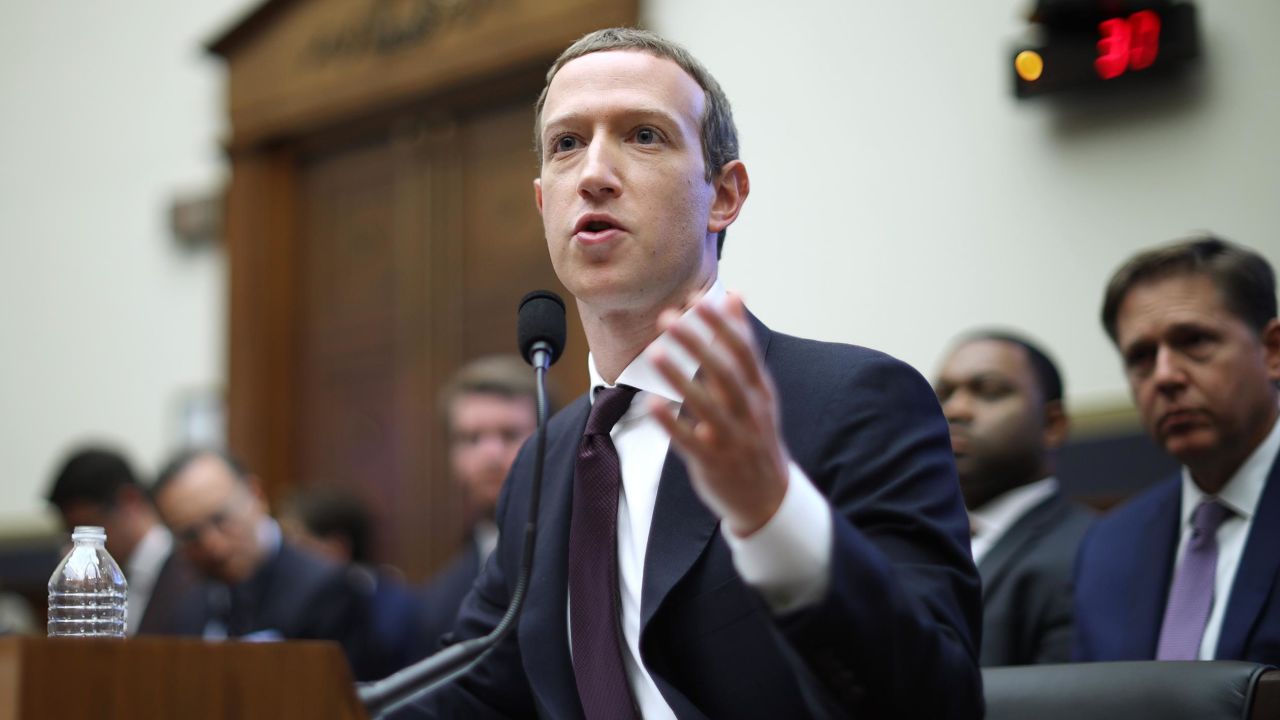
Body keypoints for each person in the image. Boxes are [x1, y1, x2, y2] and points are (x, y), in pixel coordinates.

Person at [408, 27, 981, 719]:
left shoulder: (857, 402)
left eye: (643, 136)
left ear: (724, 194)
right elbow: (472, 691)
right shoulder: (545, 461)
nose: (592, 173)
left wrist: (774, 514)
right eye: (566, 144)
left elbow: (936, 700)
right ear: (542, 204)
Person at [1074, 236, 1280, 664]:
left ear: (1272, 351)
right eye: (1142, 357)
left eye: (1194, 341)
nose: (1164, 376)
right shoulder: (1110, 546)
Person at [151, 448, 381, 679]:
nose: (214, 545)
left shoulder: (326, 589)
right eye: (191, 536)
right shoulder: (186, 605)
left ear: (256, 495)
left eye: (221, 520)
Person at [935, 331, 1093, 666]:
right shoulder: (905, 539)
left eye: (989, 392)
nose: (955, 410)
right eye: (943, 394)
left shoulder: (1094, 547)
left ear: (1052, 424)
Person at [417, 355, 542, 650]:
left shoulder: (592, 556)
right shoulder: (437, 600)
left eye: (510, 434)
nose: (491, 455)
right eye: (471, 439)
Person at [45, 445, 204, 635]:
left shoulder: (192, 568)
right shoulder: (116, 578)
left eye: (90, 527)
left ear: (129, 501)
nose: (73, 549)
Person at [281, 486, 427, 675]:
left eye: (296, 544)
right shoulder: (295, 604)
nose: (288, 558)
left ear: (335, 549)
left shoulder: (396, 612)